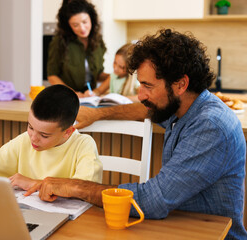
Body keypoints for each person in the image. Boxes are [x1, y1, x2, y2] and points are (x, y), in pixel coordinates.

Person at [27, 29, 247, 239]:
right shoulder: (183, 106)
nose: (140, 95)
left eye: (147, 86)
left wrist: (76, 186)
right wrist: (99, 114)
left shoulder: (210, 126)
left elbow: (154, 200)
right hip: (177, 226)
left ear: (181, 84)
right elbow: (146, 108)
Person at [0, 84, 102, 189]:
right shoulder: (24, 141)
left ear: (68, 131)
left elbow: (83, 189)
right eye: (30, 127)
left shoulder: (83, 145)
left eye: (44, 135)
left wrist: (33, 184)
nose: (33, 138)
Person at [47, 0, 109, 97]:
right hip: (67, 97)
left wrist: (113, 77)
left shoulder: (98, 40)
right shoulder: (60, 42)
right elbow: (52, 75)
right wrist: (72, 94)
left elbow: (98, 74)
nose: (82, 28)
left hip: (89, 97)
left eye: (85, 22)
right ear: (69, 25)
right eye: (75, 25)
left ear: (91, 19)